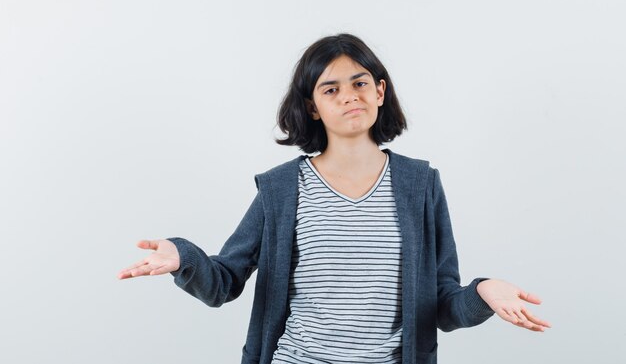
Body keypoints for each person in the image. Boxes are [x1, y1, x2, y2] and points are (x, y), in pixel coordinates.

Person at [118, 33, 551, 364]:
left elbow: (441, 305)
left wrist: (484, 292)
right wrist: (183, 257)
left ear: (379, 92)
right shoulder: (282, 189)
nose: (349, 95)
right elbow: (224, 282)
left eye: (360, 82)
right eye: (330, 89)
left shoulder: (421, 184)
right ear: (312, 108)